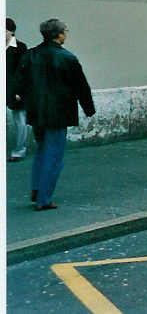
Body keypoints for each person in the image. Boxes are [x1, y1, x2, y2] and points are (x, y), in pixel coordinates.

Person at [13, 19, 95, 210]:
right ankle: (44, 198)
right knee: (54, 156)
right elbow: (81, 87)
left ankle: (36, 189)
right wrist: (88, 108)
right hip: (58, 113)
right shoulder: (68, 58)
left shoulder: (30, 55)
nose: (66, 34)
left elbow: (18, 81)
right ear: (58, 34)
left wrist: (20, 98)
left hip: (37, 111)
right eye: (65, 31)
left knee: (42, 151)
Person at [7, 18, 29, 162]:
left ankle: (19, 151)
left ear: (12, 32)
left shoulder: (20, 48)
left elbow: (24, 72)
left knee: (20, 121)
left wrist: (20, 91)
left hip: (14, 90)